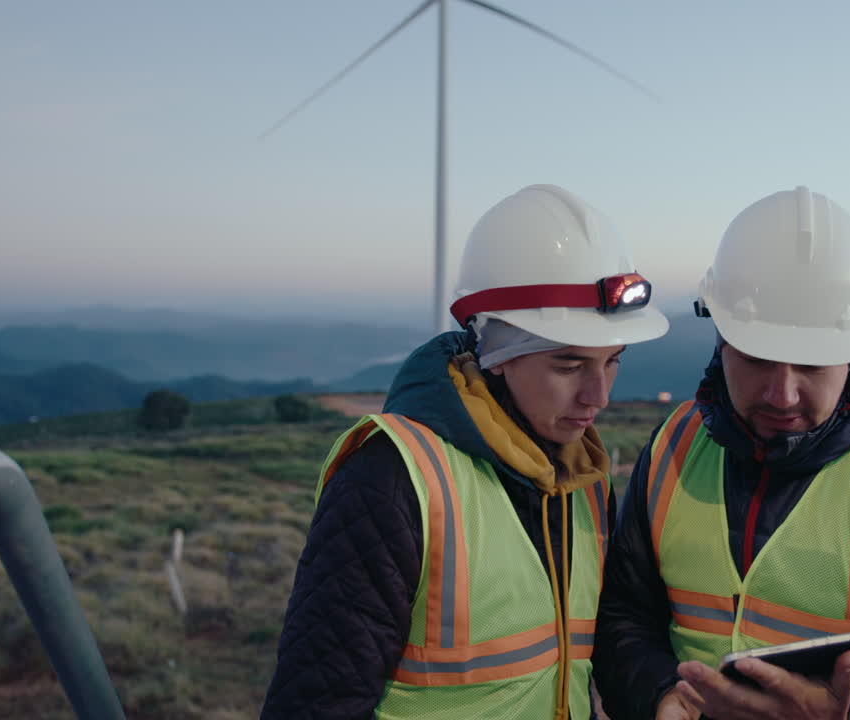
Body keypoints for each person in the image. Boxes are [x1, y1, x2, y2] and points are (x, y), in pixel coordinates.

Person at [592, 186, 850, 719]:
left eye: (812, 363)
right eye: (758, 359)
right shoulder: (675, 443)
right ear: (719, 333)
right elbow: (623, 617)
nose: (782, 394)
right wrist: (662, 697)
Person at [260, 184, 669, 719]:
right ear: (498, 352)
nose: (600, 395)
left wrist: (658, 692)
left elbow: (572, 662)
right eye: (569, 366)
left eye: (614, 361)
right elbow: (316, 704)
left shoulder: (583, 479)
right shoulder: (391, 479)